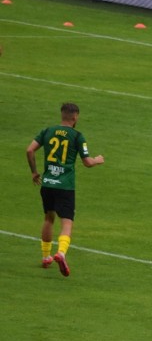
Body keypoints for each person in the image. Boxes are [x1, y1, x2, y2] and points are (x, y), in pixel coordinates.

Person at [26, 102, 105, 277]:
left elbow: (30, 150)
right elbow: (87, 162)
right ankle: (61, 253)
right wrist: (98, 159)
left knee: (48, 218)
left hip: (47, 183)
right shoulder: (77, 136)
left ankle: (46, 256)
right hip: (65, 186)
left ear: (62, 115)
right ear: (75, 116)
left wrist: (34, 172)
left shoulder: (47, 131)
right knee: (67, 222)